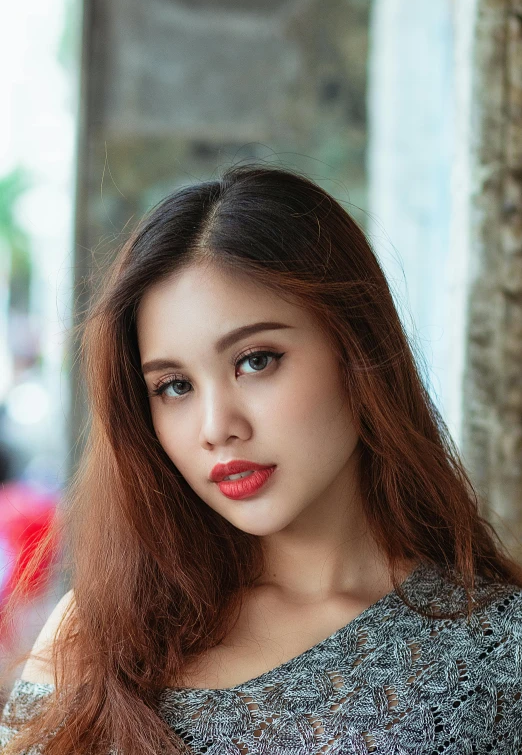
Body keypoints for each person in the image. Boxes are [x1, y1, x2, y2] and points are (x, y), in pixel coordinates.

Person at [1, 163, 521, 755]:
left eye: (256, 360)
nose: (217, 427)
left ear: (358, 348)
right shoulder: (99, 632)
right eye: (174, 386)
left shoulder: (494, 654)